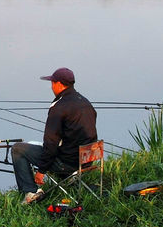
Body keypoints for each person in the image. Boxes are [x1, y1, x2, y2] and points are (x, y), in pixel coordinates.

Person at [12, 67, 98, 205]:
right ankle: (69, 179)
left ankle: (31, 192)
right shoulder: (85, 102)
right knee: (53, 146)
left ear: (59, 84)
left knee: (17, 149)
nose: (51, 86)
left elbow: (51, 143)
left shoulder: (58, 108)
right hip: (86, 160)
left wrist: (41, 170)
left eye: (52, 83)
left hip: (68, 163)